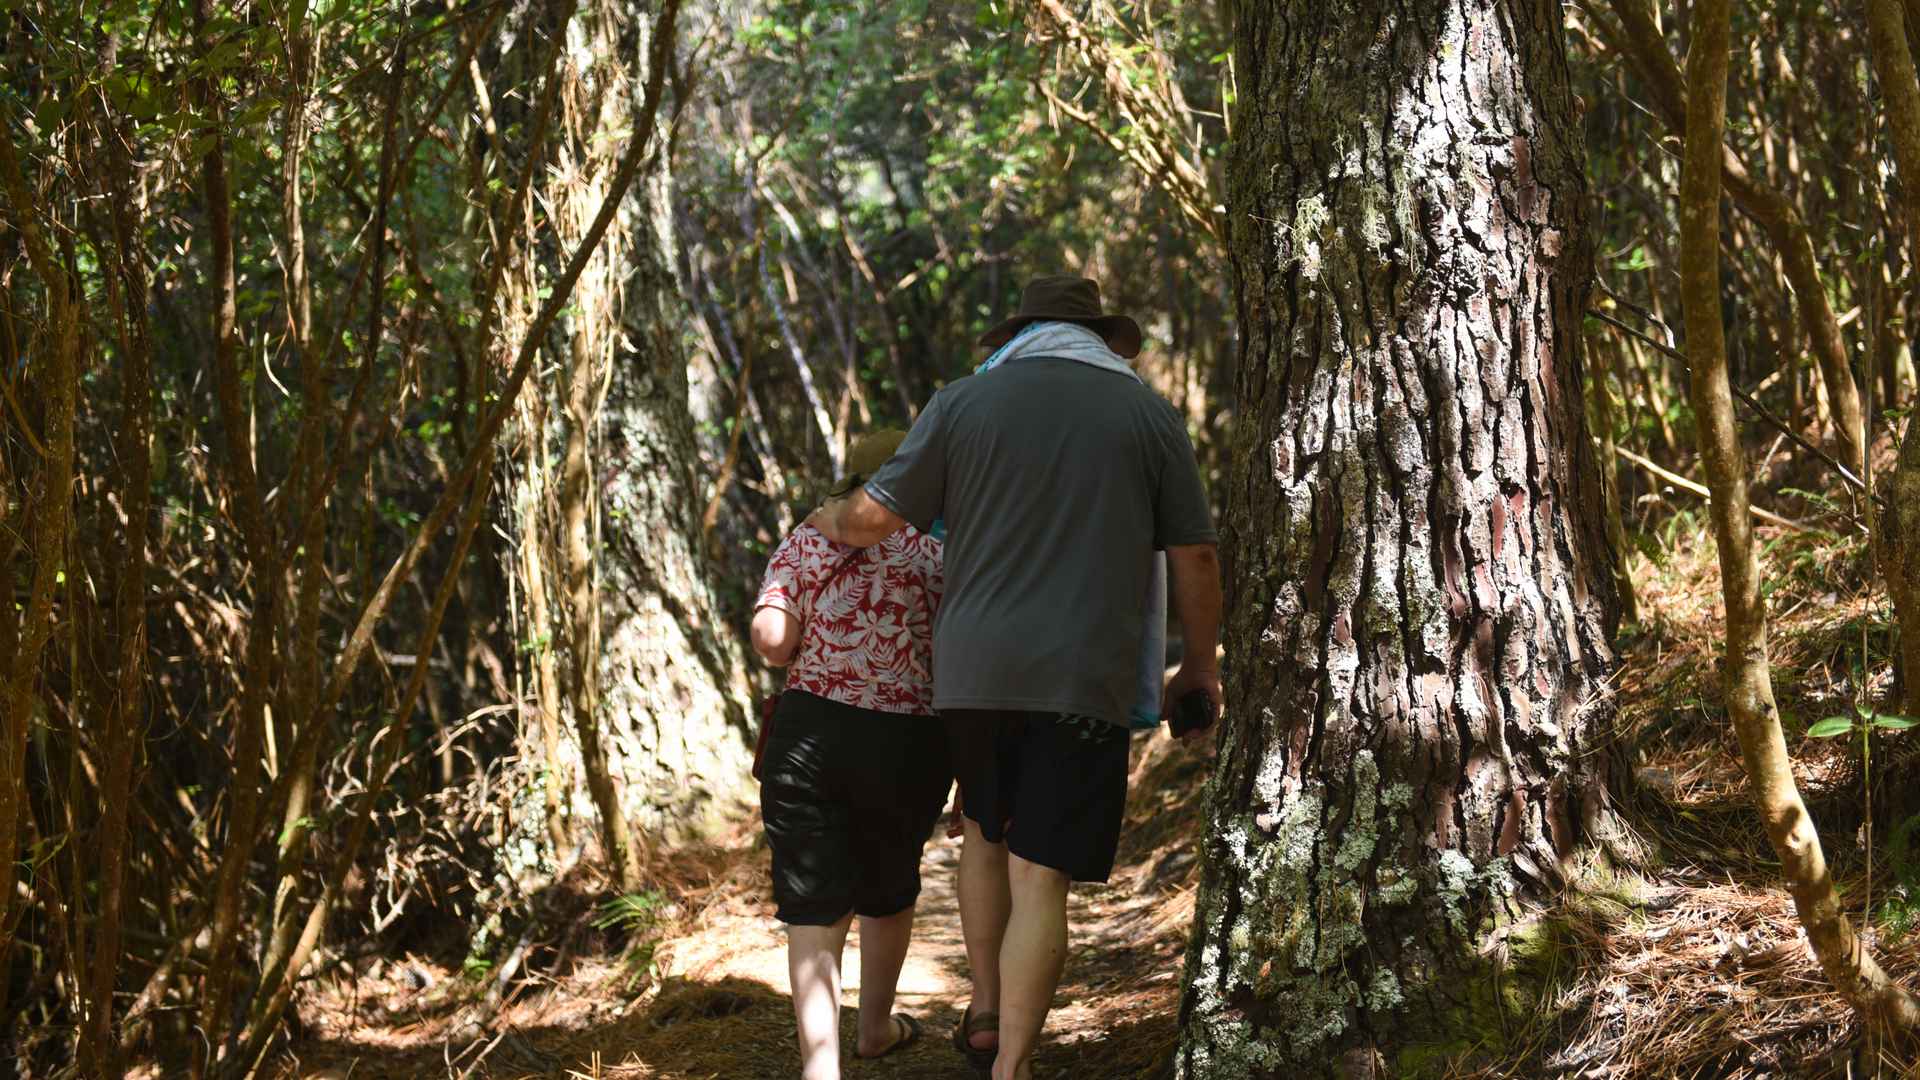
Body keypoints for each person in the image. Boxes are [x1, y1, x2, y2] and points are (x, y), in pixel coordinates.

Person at [808, 275, 1223, 1080]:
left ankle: (989, 1013)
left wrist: (823, 519)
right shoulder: (1144, 412)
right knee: (1043, 875)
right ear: (1102, 337)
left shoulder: (963, 401)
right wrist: (1197, 664)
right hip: (1084, 677)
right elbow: (1196, 556)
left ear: (1016, 335)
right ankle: (1013, 1067)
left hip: (972, 673)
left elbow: (871, 519)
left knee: (984, 835)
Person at [750, 429, 951, 1080]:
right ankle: (875, 1028)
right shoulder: (939, 552)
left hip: (811, 733)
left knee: (812, 898)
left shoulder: (808, 537)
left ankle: (821, 1065)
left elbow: (772, 640)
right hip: (909, 740)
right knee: (890, 885)